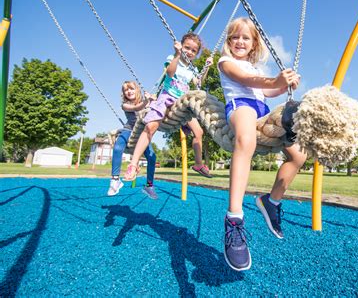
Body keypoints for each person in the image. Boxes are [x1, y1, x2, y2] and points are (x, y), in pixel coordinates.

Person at [218, 17, 307, 271]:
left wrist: (284, 85)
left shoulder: (256, 69)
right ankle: (234, 218)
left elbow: (267, 91)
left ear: (254, 43)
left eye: (245, 37)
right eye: (235, 36)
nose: (239, 41)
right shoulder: (226, 62)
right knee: (246, 139)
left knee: (299, 156)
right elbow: (248, 82)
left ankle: (272, 201)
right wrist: (274, 81)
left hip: (262, 111)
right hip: (241, 107)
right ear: (229, 41)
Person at [124, 33, 213, 182]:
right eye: (187, 48)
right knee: (150, 127)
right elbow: (170, 74)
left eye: (193, 51)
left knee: (199, 131)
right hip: (166, 97)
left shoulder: (192, 68)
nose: (189, 52)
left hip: (181, 103)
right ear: (181, 46)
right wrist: (177, 54)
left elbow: (198, 83)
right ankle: (133, 165)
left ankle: (198, 164)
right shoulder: (172, 58)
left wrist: (207, 68)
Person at [107, 81, 157, 199]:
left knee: (152, 157)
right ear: (124, 93)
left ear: (137, 90)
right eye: (126, 90)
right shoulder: (125, 105)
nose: (129, 91)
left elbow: (153, 111)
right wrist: (147, 101)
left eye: (131, 88)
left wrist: (153, 100)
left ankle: (149, 185)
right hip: (128, 130)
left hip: (142, 134)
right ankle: (115, 180)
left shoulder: (145, 103)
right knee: (118, 147)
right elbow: (136, 107)